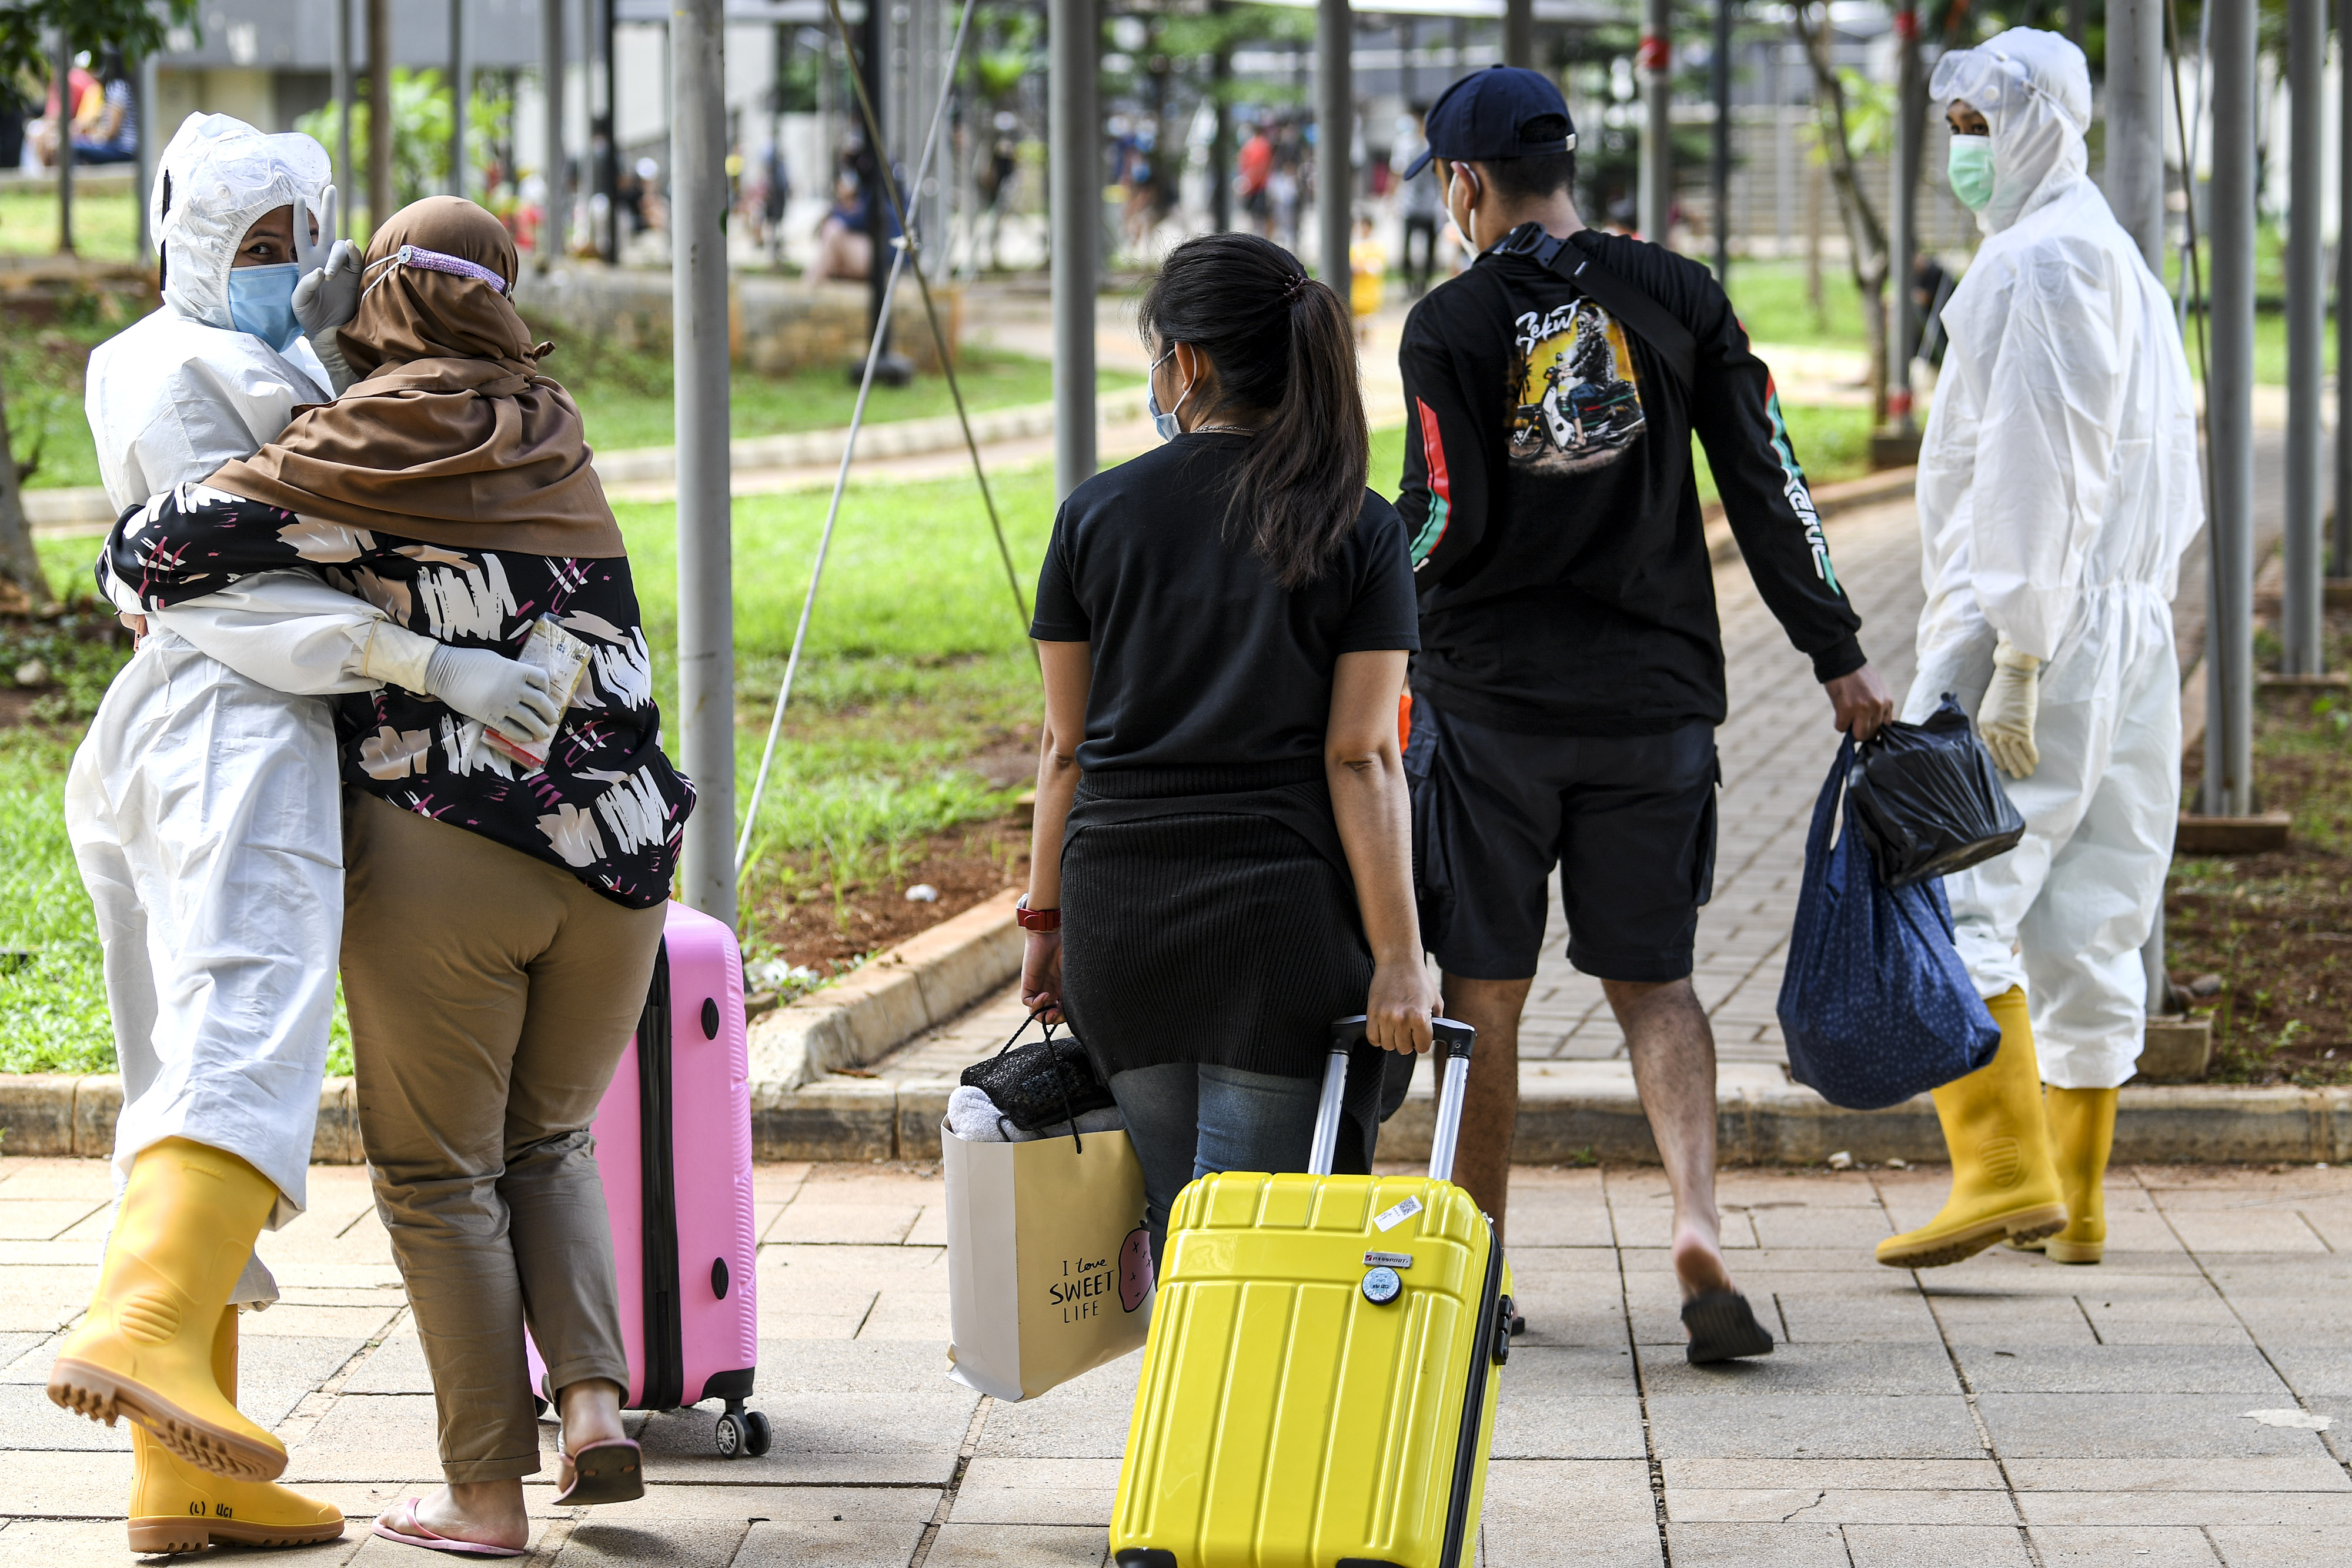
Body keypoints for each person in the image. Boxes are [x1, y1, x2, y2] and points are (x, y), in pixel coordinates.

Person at [88, 196, 696, 1557]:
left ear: (374, 294)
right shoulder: (554, 420)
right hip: (624, 858)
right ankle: (592, 1408)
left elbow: (157, 548)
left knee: (438, 1179)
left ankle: (484, 1499)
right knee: (546, 1141)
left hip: (451, 850)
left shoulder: (374, 430)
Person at [1393, 65, 1896, 1362]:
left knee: (1482, 996)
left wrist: (1354, 604)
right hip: (1654, 705)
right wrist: (1835, 654)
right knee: (1656, 983)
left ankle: (1474, 1269)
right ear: (1565, 168)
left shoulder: (1448, 323)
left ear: (1462, 184)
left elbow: (1444, 516)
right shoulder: (1675, 294)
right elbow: (1765, 477)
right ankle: (1695, 1220)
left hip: (1490, 710)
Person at [54, 111, 426, 1555]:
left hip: (201, 725)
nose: (281, 267)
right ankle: (142, 1323)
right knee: (246, 1031)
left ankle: (182, 1470)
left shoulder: (245, 357)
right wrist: (419, 658)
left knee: (187, 1050)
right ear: (193, 243)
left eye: (294, 242)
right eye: (252, 246)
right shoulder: (174, 365)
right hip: (233, 724)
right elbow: (219, 588)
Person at [1017, 232, 1438, 1266]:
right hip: (1277, 931)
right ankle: (1249, 1433)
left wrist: (1045, 921)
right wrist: (1400, 957)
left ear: (1189, 364)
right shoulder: (1359, 525)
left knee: (1181, 1241)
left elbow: (1065, 749)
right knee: (1262, 1263)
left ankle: (1185, 1430)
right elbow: (1363, 757)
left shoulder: (1094, 516)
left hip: (1122, 923)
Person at [1877, 31, 2201, 1272]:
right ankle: (2072, 1200)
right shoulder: (2116, 257)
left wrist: (2015, 648)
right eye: (1953, 129)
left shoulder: (2034, 265)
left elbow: (2033, 464)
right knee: (2091, 906)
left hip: (2034, 623)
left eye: (1975, 128)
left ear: (2037, 126)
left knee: (1950, 878)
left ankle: (1999, 1167)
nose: (1960, 152)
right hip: (2122, 622)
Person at [1394, 106, 1444, 297]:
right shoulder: (1405, 145)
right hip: (1410, 205)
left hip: (1430, 206)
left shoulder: (1433, 146)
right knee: (1406, 249)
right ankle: (1409, 286)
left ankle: (1422, 287)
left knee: (1430, 250)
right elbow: (1397, 172)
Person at [1349, 212, 1385, 345]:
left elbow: (1376, 266)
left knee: (1368, 324)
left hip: (1370, 292)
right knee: (1355, 324)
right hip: (1356, 291)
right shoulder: (1354, 246)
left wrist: (1362, 268)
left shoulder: (1376, 246)